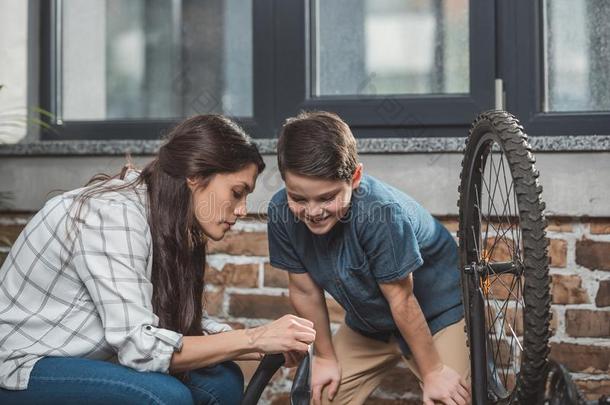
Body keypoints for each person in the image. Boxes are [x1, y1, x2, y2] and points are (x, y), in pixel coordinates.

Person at [0, 115, 315, 405]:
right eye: (237, 192)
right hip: (23, 363)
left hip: (87, 355)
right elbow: (140, 347)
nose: (243, 209)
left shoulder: (166, 216)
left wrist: (263, 344)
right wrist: (252, 338)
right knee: (166, 397)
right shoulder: (112, 215)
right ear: (195, 176)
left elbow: (181, 325)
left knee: (223, 380)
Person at [267, 111, 471, 405]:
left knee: (451, 399)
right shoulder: (280, 213)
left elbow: (402, 300)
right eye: (298, 198)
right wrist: (324, 356)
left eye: (326, 198)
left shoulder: (382, 213)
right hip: (370, 325)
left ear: (356, 177)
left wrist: (434, 372)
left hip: (434, 315)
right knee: (321, 397)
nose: (312, 211)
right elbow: (303, 290)